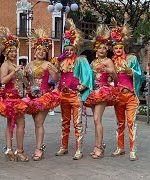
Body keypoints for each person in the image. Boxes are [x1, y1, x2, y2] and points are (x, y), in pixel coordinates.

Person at [54, 19, 94, 160]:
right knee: (64, 122)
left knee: (77, 123)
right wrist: (58, 61)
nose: (69, 52)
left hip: (75, 96)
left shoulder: (81, 60)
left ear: (75, 49)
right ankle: (64, 147)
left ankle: (79, 149)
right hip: (63, 95)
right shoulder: (63, 61)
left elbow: (89, 75)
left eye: (71, 50)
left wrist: (82, 87)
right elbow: (56, 75)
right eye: (67, 50)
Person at [0, 26, 29, 162]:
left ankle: (9, 149)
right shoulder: (5, 65)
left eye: (15, 51)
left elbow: (22, 81)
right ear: (6, 53)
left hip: (18, 97)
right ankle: (19, 151)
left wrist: (24, 74)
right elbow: (3, 81)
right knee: (20, 124)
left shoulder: (15, 65)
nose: (14, 53)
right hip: (11, 98)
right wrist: (15, 72)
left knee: (11, 124)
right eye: (11, 51)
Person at [24, 28, 60, 160]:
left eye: (44, 51)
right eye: (39, 50)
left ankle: (39, 148)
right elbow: (26, 80)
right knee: (36, 123)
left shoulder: (48, 64)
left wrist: (56, 72)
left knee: (39, 122)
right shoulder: (29, 65)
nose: (41, 52)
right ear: (34, 51)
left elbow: (55, 80)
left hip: (44, 97)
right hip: (32, 97)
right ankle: (39, 145)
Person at [83, 24, 118, 159]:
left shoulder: (109, 61)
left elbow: (115, 77)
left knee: (97, 119)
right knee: (96, 121)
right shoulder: (92, 62)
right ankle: (98, 146)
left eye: (104, 48)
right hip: (93, 91)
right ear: (96, 48)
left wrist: (110, 71)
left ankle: (99, 147)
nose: (102, 50)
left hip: (103, 91)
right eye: (100, 47)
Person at [110, 18, 142, 161]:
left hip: (130, 95)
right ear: (113, 49)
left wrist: (132, 73)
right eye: (116, 48)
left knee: (131, 122)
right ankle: (120, 147)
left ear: (124, 48)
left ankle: (132, 149)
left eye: (120, 48)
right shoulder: (111, 61)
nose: (118, 50)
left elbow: (141, 76)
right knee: (120, 123)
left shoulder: (131, 59)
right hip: (117, 97)